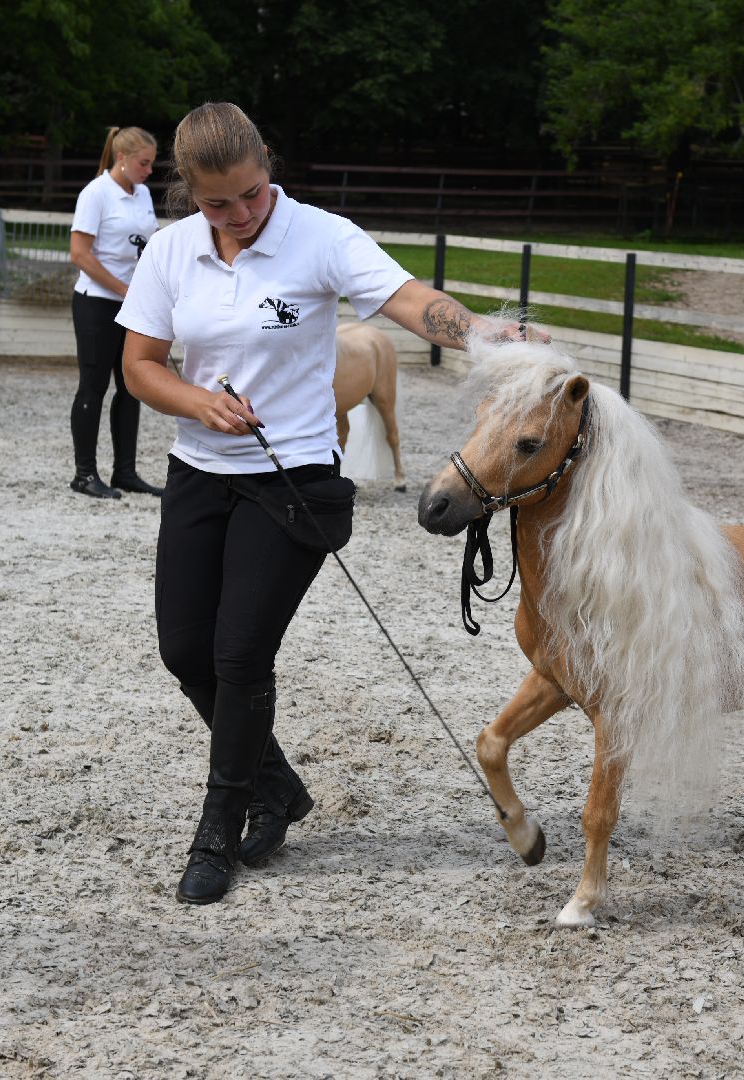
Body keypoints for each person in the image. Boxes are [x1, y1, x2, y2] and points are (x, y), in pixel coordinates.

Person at [117, 102, 530, 905]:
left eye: (250, 193)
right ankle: (278, 786)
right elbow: (140, 366)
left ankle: (220, 825)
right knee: (183, 652)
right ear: (188, 194)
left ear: (267, 161)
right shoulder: (168, 251)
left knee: (238, 656)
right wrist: (197, 402)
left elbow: (410, 301)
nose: (239, 214)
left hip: (294, 478)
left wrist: (486, 333)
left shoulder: (321, 235)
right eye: (217, 203)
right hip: (200, 469)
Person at [67, 125, 163, 499]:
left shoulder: (142, 194)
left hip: (132, 305)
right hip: (96, 301)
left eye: (152, 164)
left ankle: (125, 471)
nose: (149, 170)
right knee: (94, 385)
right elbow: (80, 254)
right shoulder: (96, 193)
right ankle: (84, 473)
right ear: (121, 158)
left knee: (132, 386)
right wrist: (124, 288)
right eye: (144, 163)